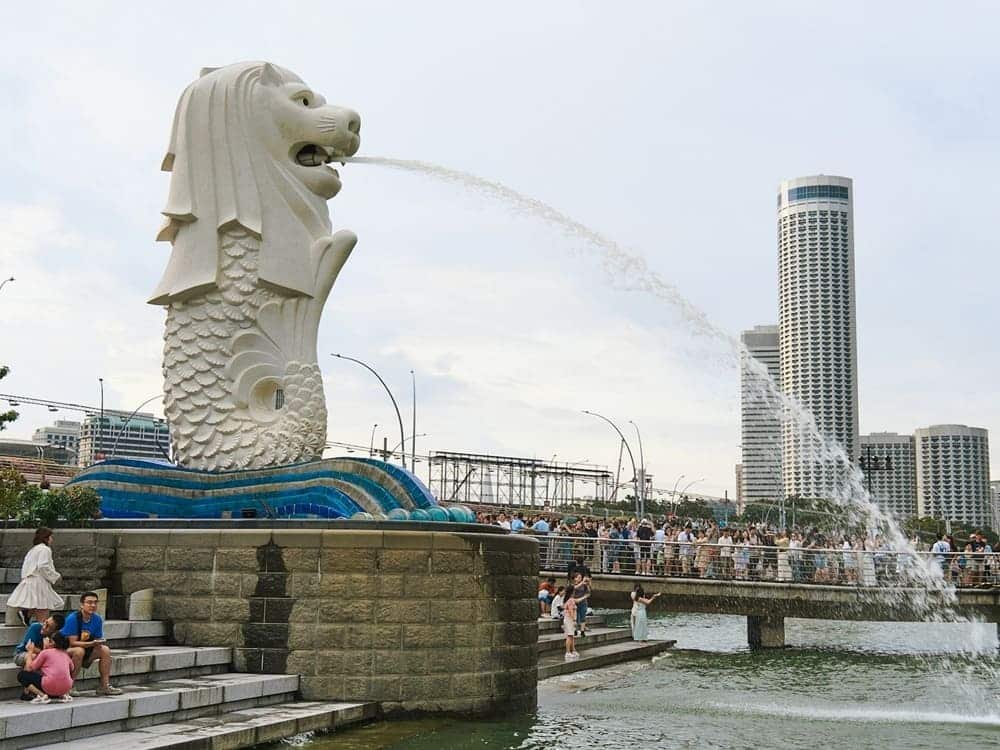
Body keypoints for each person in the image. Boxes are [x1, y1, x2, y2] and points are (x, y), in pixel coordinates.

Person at [63, 591, 122, 696]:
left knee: (105, 650)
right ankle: (69, 685)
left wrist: (98, 642)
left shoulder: (97, 619)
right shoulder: (73, 618)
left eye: (95, 602)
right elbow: (72, 643)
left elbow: (97, 639)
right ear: (82, 605)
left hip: (86, 647)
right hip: (66, 649)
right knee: (79, 651)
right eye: (89, 602)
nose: (93, 605)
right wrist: (92, 643)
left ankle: (104, 685)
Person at [6, 527, 65, 625]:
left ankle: (27, 613)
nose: (52, 539)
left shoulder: (32, 550)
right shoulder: (45, 549)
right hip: (39, 581)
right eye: (51, 537)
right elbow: (43, 566)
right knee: (43, 609)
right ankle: (34, 622)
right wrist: (55, 576)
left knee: (38, 605)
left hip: (30, 580)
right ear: (46, 538)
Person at [18, 631, 75, 704]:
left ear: (53, 643)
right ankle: (61, 694)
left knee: (22, 675)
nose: (46, 641)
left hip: (49, 686)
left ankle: (42, 695)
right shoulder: (66, 655)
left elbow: (30, 668)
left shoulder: (46, 653)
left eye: (49, 640)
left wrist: (30, 651)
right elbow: (72, 668)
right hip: (65, 688)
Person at [572, 572, 591, 637]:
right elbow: (574, 588)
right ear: (575, 578)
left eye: (581, 577)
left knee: (583, 617)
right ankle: (575, 630)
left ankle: (582, 631)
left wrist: (588, 584)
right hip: (575, 603)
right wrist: (582, 582)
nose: (580, 578)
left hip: (583, 603)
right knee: (575, 617)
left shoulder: (584, 585)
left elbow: (588, 593)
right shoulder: (572, 585)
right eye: (579, 577)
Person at [562, 584, 578, 660]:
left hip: (568, 619)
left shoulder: (567, 599)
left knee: (571, 635)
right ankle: (568, 652)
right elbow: (571, 611)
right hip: (569, 619)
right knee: (569, 635)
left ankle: (573, 650)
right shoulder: (571, 600)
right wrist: (574, 620)